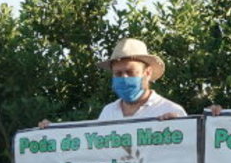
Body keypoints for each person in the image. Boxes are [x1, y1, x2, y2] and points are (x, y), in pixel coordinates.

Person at [39, 38, 185, 127]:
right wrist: (49, 133)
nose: (125, 78)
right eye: (118, 73)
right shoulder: (108, 113)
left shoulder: (170, 111)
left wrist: (182, 127)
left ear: (147, 73)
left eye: (130, 72)